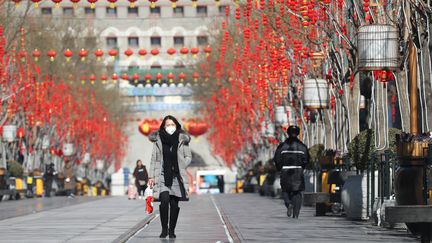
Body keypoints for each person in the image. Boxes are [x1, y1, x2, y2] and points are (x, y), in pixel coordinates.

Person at [148, 115, 192, 239]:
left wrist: (181, 164)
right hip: (162, 175)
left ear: (176, 125)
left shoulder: (182, 139)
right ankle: (164, 229)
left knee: (174, 204)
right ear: (163, 126)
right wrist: (151, 176)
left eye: (172, 124)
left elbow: (188, 157)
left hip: (177, 177)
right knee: (164, 200)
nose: (170, 127)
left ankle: (172, 230)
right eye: (168, 125)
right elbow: (154, 159)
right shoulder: (158, 140)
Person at [273, 125, 309, 218]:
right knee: (297, 192)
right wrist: (302, 167)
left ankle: (289, 204)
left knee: (285, 191)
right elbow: (306, 159)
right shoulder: (302, 146)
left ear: (287, 133)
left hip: (285, 171)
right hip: (298, 171)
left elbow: (277, 159)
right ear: (297, 133)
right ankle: (296, 214)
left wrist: (280, 168)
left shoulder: (282, 146)